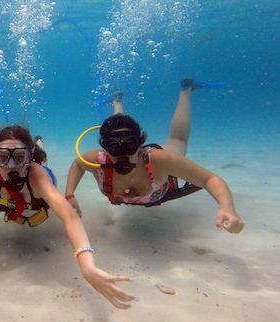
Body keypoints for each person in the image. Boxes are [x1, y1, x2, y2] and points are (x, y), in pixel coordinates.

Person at [0, 125, 135, 309]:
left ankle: (39, 148)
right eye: (3, 157)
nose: (11, 166)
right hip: (7, 200)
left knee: (42, 171)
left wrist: (87, 266)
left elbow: (70, 217)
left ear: (29, 158)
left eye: (20, 157)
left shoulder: (37, 176)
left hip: (38, 189)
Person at [65, 79, 244, 234]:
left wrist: (227, 207)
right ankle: (117, 102)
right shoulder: (95, 160)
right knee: (118, 126)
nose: (123, 152)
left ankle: (186, 89)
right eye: (113, 145)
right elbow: (77, 165)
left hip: (153, 162)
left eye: (130, 143)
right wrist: (69, 195)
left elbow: (210, 179)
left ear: (140, 143)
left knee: (177, 140)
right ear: (104, 147)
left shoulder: (161, 160)